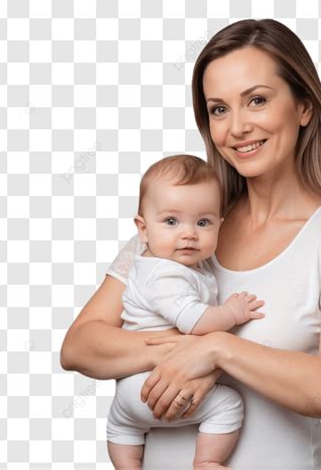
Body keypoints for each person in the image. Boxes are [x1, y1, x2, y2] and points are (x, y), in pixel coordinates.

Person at [61, 19, 321, 469]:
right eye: (218, 109)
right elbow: (79, 345)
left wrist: (218, 349)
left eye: (256, 100)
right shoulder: (184, 228)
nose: (236, 127)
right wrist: (186, 350)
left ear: (304, 107)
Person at [106, 154, 265, 469]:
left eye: (203, 222)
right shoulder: (164, 273)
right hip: (152, 385)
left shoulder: (174, 265)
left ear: (219, 224)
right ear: (143, 228)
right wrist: (232, 312)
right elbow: (194, 321)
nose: (189, 233)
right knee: (228, 405)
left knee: (122, 427)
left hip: (129, 392)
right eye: (171, 221)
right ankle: (207, 461)